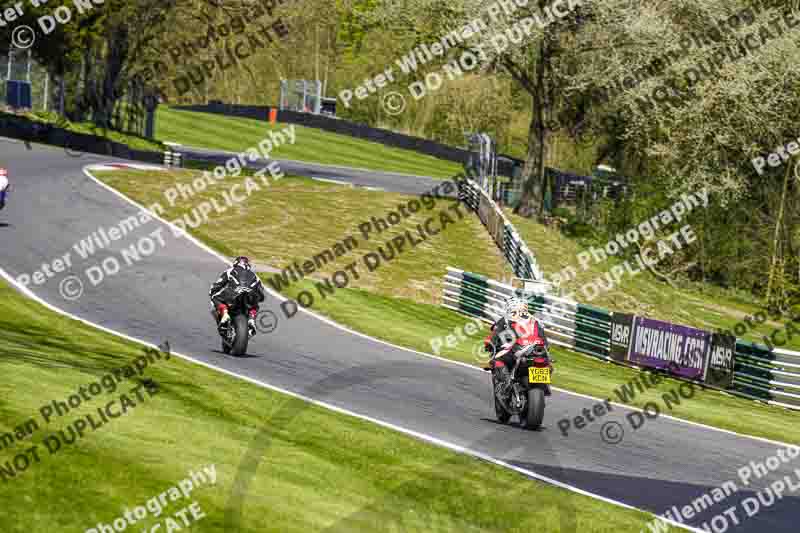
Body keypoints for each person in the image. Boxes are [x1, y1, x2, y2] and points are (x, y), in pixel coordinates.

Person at [484, 297, 549, 386]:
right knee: (546, 363)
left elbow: (495, 334)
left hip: (518, 348)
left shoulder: (506, 318)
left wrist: (489, 343)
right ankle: (542, 386)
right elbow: (544, 339)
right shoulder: (535, 319)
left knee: (496, 360)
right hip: (538, 348)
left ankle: (505, 385)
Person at [209, 256, 265, 337]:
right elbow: (261, 293)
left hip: (233, 293)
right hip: (250, 295)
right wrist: (256, 299)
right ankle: (251, 319)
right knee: (255, 305)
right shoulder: (255, 275)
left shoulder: (230, 271)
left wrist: (212, 291)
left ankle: (225, 313)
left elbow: (218, 285)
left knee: (215, 297)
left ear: (235, 263)